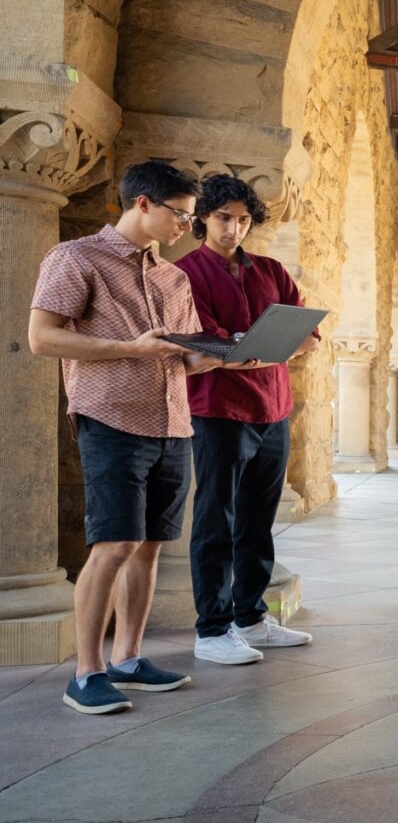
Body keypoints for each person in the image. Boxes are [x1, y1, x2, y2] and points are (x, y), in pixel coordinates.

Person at [28, 161, 228, 714]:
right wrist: (132, 350)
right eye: (181, 215)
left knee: (147, 550)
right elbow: (42, 339)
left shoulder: (174, 278)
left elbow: (185, 358)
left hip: (172, 423)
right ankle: (85, 673)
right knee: (113, 545)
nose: (187, 227)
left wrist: (233, 356)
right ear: (143, 203)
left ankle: (129, 659)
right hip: (111, 419)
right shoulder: (75, 258)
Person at [176, 173, 320, 665]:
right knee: (216, 518)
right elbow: (205, 342)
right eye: (222, 218)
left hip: (273, 408)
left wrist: (262, 351)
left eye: (241, 219)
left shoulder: (272, 270)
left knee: (260, 519)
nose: (234, 228)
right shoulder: (187, 274)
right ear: (202, 218)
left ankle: (251, 618)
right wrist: (248, 351)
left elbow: (306, 333)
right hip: (218, 410)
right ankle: (211, 630)